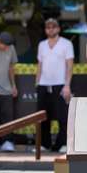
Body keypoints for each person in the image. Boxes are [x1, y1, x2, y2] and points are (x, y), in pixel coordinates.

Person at [35, 18, 74, 153]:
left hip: (60, 84)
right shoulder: (42, 45)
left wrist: (67, 85)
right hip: (43, 84)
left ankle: (62, 144)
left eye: (53, 27)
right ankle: (44, 144)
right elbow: (39, 65)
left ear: (58, 29)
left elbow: (69, 65)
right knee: (43, 116)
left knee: (62, 116)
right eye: (47, 27)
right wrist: (37, 82)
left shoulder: (66, 44)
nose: (50, 29)